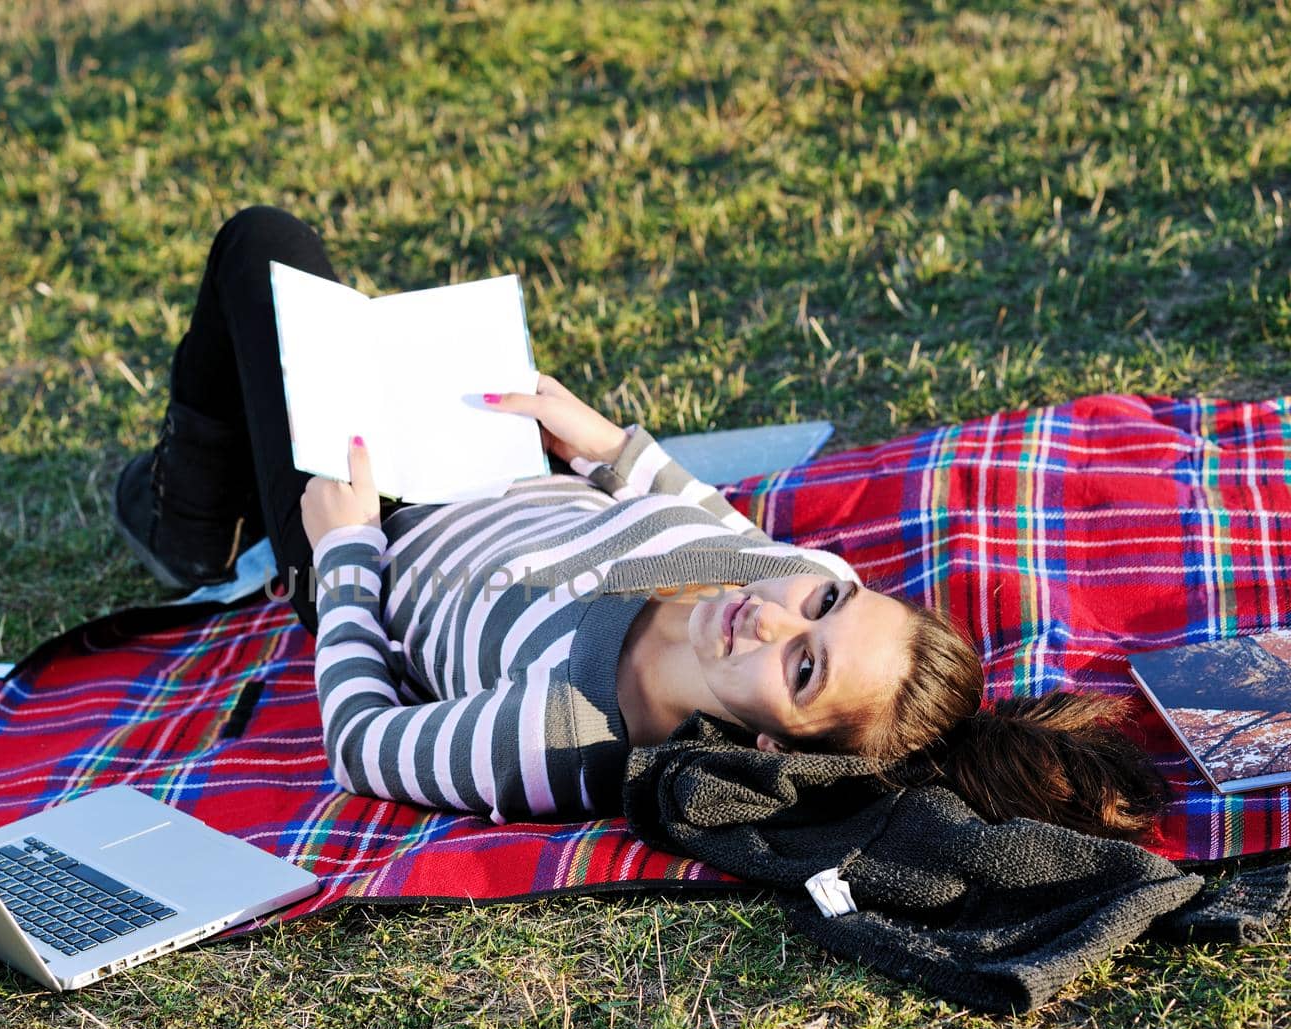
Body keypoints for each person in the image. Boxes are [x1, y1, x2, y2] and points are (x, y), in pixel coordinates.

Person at [114, 207, 1169, 841]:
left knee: (265, 250)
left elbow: (359, 741)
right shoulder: (782, 579)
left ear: (769, 743)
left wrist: (340, 555)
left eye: (802, 667)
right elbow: (703, 512)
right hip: (498, 471)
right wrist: (609, 445)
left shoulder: (565, 735)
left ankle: (188, 516)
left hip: (375, 537)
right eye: (824, 602)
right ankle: (195, 502)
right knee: (342, 322)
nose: (769, 616)